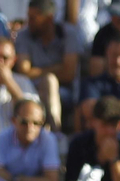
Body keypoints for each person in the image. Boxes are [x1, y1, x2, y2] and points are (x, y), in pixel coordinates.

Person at [14, 0, 77, 133]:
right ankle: (55, 132)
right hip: (30, 88)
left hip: (64, 91)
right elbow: (24, 71)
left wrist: (37, 72)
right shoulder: (24, 35)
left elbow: (69, 73)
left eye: (33, 18)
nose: (29, 22)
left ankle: (54, 129)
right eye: (28, 17)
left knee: (49, 81)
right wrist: (58, 68)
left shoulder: (68, 34)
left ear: (49, 18)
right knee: (49, 80)